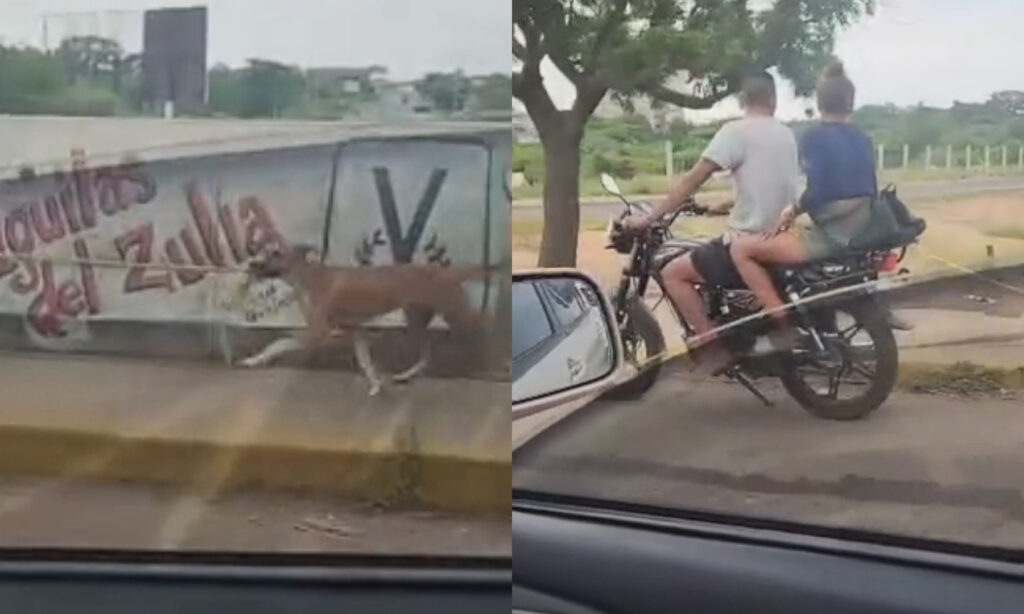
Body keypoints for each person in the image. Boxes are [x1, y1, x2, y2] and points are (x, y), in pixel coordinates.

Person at [622, 70, 800, 371]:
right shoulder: (786, 134)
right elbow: (771, 186)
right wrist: (722, 206)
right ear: (773, 99)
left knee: (673, 273)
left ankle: (713, 348)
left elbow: (695, 178)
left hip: (747, 243)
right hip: (781, 240)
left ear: (742, 99)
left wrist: (650, 217)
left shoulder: (736, 132)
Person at [728, 60, 911, 351]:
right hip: (861, 228)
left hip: (832, 235)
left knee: (742, 249)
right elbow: (867, 186)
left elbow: (820, 189)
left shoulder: (815, 137)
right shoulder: (862, 138)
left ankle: (783, 326)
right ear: (851, 103)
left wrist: (792, 211)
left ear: (818, 101)